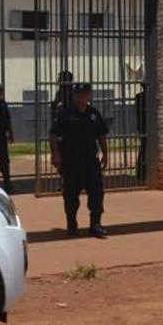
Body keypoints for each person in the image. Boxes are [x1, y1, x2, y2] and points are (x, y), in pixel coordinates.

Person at [50, 82, 109, 238]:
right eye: (78, 95)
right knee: (70, 196)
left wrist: (106, 153)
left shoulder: (94, 114)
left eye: (84, 95)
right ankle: (72, 225)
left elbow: (101, 134)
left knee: (97, 194)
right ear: (74, 96)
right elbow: (53, 134)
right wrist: (56, 153)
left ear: (89, 96)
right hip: (71, 163)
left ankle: (95, 224)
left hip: (90, 162)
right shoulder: (66, 114)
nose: (81, 98)